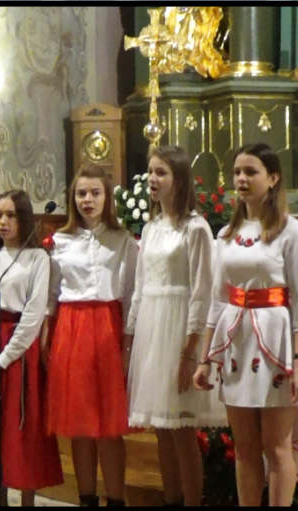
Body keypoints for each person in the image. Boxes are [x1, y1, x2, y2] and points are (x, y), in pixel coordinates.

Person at [193, 143, 298, 507]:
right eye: (237, 172)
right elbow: (218, 299)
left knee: (277, 446)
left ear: (273, 178)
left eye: (251, 172)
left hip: (276, 344)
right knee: (245, 448)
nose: (241, 179)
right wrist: (205, 360)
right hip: (237, 342)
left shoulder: (291, 231)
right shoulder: (226, 234)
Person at [124, 145, 226, 507]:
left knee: (182, 430)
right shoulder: (150, 227)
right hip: (151, 330)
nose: (152, 179)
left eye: (161, 173)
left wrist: (190, 353)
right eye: (151, 172)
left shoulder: (195, 229)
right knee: (161, 430)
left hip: (180, 330)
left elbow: (202, 293)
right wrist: (130, 338)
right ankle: (171, 500)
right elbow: (139, 288)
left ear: (179, 179)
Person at [0, 189, 63, 506]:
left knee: (21, 429)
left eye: (11, 215)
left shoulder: (38, 258)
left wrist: (2, 360)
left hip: (18, 350)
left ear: (24, 218)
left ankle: (27, 501)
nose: (3, 222)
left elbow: (33, 316)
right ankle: (1, 500)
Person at [45, 166, 137, 507]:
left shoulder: (123, 240)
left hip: (109, 328)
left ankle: (116, 500)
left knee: (110, 427)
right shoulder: (59, 242)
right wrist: (45, 338)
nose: (88, 199)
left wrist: (128, 342)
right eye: (81, 193)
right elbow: (51, 295)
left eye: (95, 193)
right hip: (71, 329)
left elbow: (131, 293)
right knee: (80, 425)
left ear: (107, 197)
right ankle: (86, 499)